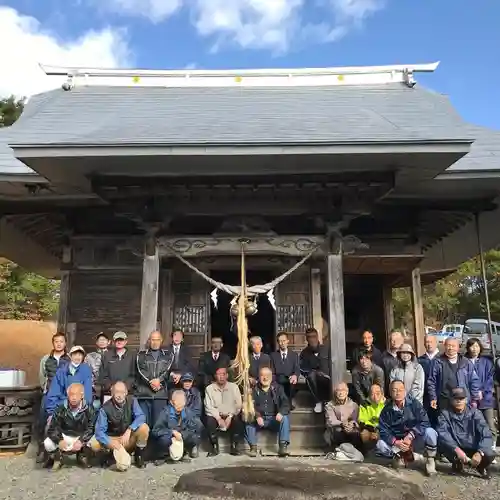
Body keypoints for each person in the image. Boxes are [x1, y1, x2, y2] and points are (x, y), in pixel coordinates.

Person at [377, 380, 438, 476]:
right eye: (395, 390)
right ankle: (399, 457)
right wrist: (395, 442)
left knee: (431, 432)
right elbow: (383, 430)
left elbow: (425, 421)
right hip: (398, 443)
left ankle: (430, 460)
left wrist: (411, 435)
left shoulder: (414, 404)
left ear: (405, 391)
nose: (398, 393)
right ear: (390, 393)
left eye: (401, 390)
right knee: (380, 444)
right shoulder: (386, 410)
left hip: (414, 439)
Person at [437, 387, 495, 478]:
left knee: (489, 452)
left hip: (474, 449)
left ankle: (481, 466)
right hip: (457, 449)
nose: (459, 401)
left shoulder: (476, 413)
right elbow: (443, 433)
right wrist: (456, 449)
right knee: (442, 441)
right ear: (451, 400)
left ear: (466, 400)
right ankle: (457, 464)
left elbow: (486, 433)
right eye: (456, 398)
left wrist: (480, 451)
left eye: (461, 398)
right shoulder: (445, 414)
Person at [90, 381, 149, 470]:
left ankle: (139, 455)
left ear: (126, 393)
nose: (119, 395)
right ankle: (107, 456)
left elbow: (141, 416)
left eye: (122, 392)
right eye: (117, 392)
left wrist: (129, 429)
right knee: (94, 443)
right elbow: (99, 431)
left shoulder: (132, 401)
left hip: (127, 438)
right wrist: (111, 442)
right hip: (113, 438)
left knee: (144, 427)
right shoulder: (105, 408)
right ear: (112, 393)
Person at [43, 383, 96, 470]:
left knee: (94, 440)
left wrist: (81, 441)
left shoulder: (89, 409)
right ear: (67, 395)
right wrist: (59, 440)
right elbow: (52, 428)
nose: (74, 397)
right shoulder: (60, 409)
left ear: (82, 395)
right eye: (71, 394)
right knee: (48, 443)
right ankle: (58, 458)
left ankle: (82, 456)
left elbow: (91, 428)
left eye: (76, 394)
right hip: (65, 436)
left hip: (80, 436)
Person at [36, 333, 70, 462]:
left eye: (61, 341)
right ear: (53, 343)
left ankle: (59, 449)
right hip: (49, 394)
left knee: (61, 421)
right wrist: (46, 389)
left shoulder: (68, 359)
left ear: (65, 343)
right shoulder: (46, 359)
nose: (59, 343)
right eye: (56, 341)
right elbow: (42, 376)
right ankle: (43, 449)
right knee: (43, 421)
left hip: (63, 395)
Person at [245, 366, 291, 458]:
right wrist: (257, 416)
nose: (265, 378)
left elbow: (286, 403)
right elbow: (249, 406)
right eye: (262, 375)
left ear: (271, 377)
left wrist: (281, 412)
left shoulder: (278, 388)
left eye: (267, 375)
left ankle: (283, 447)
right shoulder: (253, 390)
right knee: (248, 420)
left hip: (273, 419)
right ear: (259, 377)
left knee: (285, 418)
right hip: (259, 420)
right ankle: (253, 448)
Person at [428, 337, 481, 412]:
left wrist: (474, 398)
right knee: (445, 422)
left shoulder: (466, 362)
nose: (450, 348)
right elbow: (431, 381)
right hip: (444, 401)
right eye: (448, 345)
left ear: (458, 347)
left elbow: (474, 380)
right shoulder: (437, 362)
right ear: (444, 346)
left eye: (453, 346)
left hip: (462, 400)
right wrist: (433, 398)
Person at [152, 390, 202, 464]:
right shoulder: (165, 412)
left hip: (181, 436)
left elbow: (192, 428)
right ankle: (164, 456)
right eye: (177, 403)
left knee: (194, 436)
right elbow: (155, 431)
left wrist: (182, 434)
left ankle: (183, 453)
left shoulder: (188, 412)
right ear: (171, 402)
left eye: (182, 404)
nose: (180, 406)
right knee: (164, 439)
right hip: (169, 437)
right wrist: (172, 432)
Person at [135, 330, 173, 427]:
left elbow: (167, 371)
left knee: (159, 424)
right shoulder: (141, 355)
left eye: (157, 340)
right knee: (144, 424)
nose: (155, 342)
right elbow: (141, 370)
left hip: (161, 394)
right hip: (144, 394)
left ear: (161, 340)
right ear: (149, 341)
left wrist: (158, 380)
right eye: (153, 340)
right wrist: (152, 382)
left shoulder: (168, 355)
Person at [204, 366, 243, 456]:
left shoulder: (234, 387)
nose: (221, 377)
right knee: (209, 420)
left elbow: (238, 405)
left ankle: (234, 446)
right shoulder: (209, 389)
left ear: (227, 376)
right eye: (219, 374)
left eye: (223, 374)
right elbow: (208, 406)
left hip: (230, 415)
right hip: (216, 416)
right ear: (215, 376)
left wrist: (230, 416)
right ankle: (214, 447)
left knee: (238, 419)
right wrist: (218, 418)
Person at [465, 338, 497, 445]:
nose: (474, 349)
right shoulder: (463, 361)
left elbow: (489, 379)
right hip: (469, 399)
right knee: (473, 424)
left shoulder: (486, 362)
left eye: (477, 346)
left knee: (489, 423)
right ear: (468, 348)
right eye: (472, 346)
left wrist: (481, 391)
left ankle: (491, 447)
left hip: (485, 398)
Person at [45, 346, 93, 417]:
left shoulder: (86, 370)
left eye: (80, 355)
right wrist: (52, 412)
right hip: (64, 405)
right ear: (70, 356)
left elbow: (87, 393)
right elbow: (54, 392)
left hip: (80, 407)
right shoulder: (61, 371)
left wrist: (82, 408)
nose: (77, 357)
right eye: (75, 354)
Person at [299, 328, 330, 413]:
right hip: (314, 381)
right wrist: (315, 372)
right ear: (306, 339)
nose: (312, 339)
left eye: (314, 336)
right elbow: (302, 369)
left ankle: (330, 401)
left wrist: (327, 374)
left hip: (329, 378)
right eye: (309, 337)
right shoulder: (304, 353)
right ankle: (318, 402)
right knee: (311, 375)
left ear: (317, 337)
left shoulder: (327, 349)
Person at [99, 331, 136, 397]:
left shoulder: (132, 356)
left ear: (126, 341)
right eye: (117, 340)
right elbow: (103, 375)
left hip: (127, 392)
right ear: (113, 342)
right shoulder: (107, 356)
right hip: (109, 392)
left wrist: (126, 387)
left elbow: (134, 375)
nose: (119, 342)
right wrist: (111, 387)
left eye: (121, 340)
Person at [324, 382, 360, 451]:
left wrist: (352, 424)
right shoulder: (329, 405)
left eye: (343, 390)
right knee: (338, 433)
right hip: (336, 431)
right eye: (338, 390)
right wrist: (342, 424)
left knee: (356, 434)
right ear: (335, 392)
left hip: (350, 430)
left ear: (347, 392)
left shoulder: (354, 405)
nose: (340, 393)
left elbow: (356, 419)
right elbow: (330, 421)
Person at [271, 332, 300, 409]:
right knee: (279, 382)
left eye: (284, 340)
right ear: (278, 343)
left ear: (288, 341)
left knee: (291, 383)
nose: (282, 343)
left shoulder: (294, 355)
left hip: (289, 379)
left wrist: (295, 376)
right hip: (278, 379)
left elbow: (297, 369)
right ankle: (284, 404)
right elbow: (272, 370)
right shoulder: (273, 355)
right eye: (280, 341)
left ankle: (287, 403)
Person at [417, 335, 440, 426]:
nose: (429, 344)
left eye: (431, 342)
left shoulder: (442, 359)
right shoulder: (420, 360)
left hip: (440, 396)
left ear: (436, 343)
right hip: (425, 397)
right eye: (427, 342)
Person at [358, 384, 385, 451]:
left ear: (382, 394)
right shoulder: (364, 404)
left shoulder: (387, 404)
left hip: (383, 429)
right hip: (370, 429)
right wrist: (372, 430)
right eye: (372, 394)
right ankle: (367, 451)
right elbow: (362, 421)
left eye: (378, 393)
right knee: (364, 433)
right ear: (369, 395)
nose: (375, 397)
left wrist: (378, 430)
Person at [84, 332, 110, 400]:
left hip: (109, 389)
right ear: (96, 343)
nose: (102, 341)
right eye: (99, 340)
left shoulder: (113, 356)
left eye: (104, 339)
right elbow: (86, 373)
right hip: (93, 389)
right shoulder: (90, 356)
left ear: (108, 342)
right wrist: (91, 386)